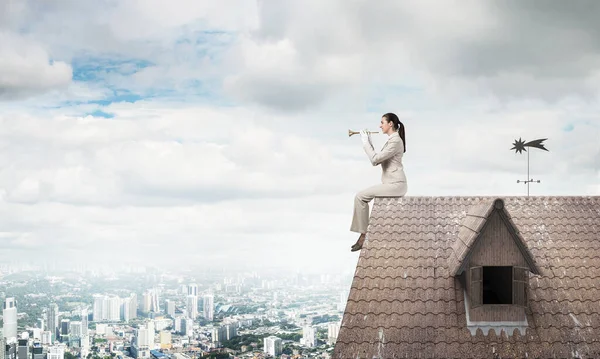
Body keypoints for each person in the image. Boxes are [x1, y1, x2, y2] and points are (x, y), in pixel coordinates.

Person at [350, 113, 407, 252]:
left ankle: (364, 235)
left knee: (360, 197)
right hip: (391, 184)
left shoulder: (395, 141)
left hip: (396, 185)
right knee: (361, 196)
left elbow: (375, 159)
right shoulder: (392, 140)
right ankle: (364, 234)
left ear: (390, 124)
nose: (380, 125)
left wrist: (365, 143)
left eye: (382, 122)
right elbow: (378, 159)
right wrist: (368, 142)